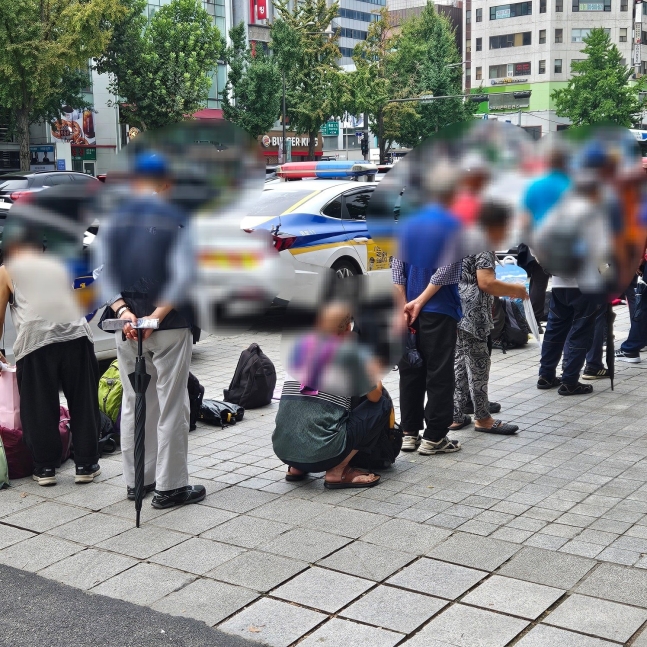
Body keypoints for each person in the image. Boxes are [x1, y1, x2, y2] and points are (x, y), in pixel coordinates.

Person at [97, 152, 205, 509]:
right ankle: (171, 487)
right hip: (169, 323)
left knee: (135, 401)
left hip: (126, 324)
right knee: (172, 403)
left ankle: (137, 481)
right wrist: (155, 316)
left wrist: (125, 312)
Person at [0, 224, 100, 486]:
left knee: (39, 406)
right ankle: (86, 464)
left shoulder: (6, 271)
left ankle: (45, 469)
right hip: (76, 335)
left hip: (36, 342)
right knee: (83, 402)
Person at [273, 301, 389, 489]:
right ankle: (338, 471)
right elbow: (375, 396)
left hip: (283, 450)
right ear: (348, 328)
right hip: (323, 455)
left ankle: (296, 468)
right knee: (381, 405)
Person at [393, 163, 463, 456]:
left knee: (410, 370)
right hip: (438, 309)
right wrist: (420, 302)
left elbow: (397, 272)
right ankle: (434, 436)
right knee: (439, 374)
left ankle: (409, 432)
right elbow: (447, 270)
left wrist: (404, 309)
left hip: (409, 312)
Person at [449, 202, 529, 435]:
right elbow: (486, 282)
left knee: (460, 362)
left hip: (454, 308)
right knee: (479, 364)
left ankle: (455, 415)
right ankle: (482, 417)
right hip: (473, 312)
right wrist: (515, 290)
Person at [535, 171, 604, 396]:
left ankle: (545, 376)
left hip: (558, 283)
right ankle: (570, 381)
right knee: (580, 331)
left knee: (555, 330)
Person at [520, 148, 571, 330]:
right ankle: (558, 321)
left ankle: (533, 322)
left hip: (539, 244)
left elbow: (524, 219)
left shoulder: (534, 185)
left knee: (538, 282)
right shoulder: (570, 185)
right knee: (563, 286)